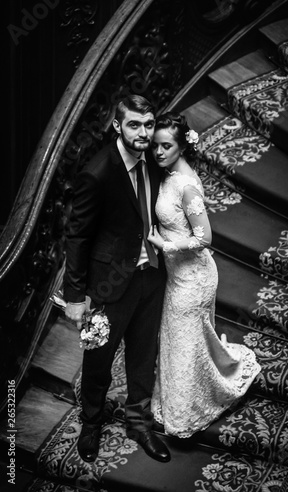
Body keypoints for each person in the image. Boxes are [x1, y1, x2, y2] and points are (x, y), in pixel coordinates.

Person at [63, 94, 170, 463]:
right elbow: (77, 235)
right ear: (117, 126)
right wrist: (76, 296)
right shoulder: (98, 172)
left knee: (144, 355)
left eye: (149, 124)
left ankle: (138, 425)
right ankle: (92, 421)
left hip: (152, 276)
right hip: (110, 283)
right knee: (99, 359)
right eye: (134, 125)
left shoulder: (155, 160)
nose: (143, 133)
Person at [147, 112, 261, 438]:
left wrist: (166, 245)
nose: (158, 152)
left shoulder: (186, 187)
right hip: (178, 275)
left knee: (182, 343)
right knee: (178, 340)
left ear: (181, 146)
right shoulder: (169, 174)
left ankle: (183, 419)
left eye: (166, 146)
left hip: (193, 278)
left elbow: (205, 238)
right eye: (156, 145)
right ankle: (177, 403)